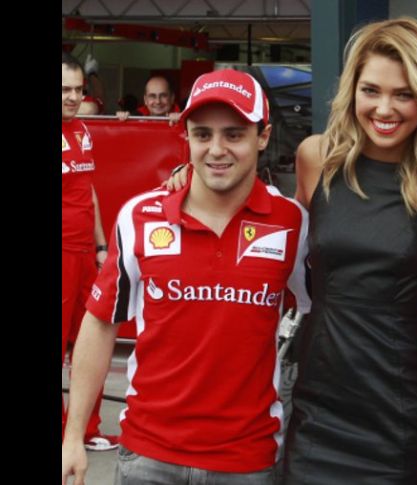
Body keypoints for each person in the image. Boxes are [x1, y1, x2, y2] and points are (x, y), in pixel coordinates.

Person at [62, 68, 310, 485]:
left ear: (262, 138)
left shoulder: (293, 224)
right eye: (202, 135)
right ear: (186, 137)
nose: (217, 150)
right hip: (148, 457)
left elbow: (321, 318)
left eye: (234, 134)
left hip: (246, 462)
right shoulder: (140, 216)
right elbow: (101, 322)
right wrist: (72, 437)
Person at [282, 17, 417, 484]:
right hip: (319, 402)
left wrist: (408, 309)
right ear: (352, 90)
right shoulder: (317, 159)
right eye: (371, 90)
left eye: (404, 94)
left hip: (399, 410)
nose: (384, 108)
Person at [61, 51, 117, 452]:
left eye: (78, 90)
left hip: (85, 254)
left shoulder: (82, 130)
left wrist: (100, 246)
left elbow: (90, 192)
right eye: (64, 89)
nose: (72, 97)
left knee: (90, 341)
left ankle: (87, 429)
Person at [116, 75, 182, 124]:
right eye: (152, 96)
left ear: (172, 98)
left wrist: (182, 122)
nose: (158, 101)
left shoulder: (186, 119)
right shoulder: (134, 118)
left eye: (163, 96)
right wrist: (119, 122)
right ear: (145, 100)